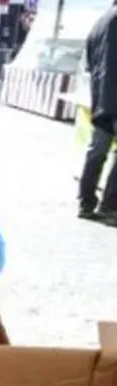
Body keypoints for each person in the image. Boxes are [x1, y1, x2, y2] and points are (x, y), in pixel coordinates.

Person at [79, 1, 117, 222]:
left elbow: (90, 62)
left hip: (101, 98)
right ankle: (110, 206)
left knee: (97, 152)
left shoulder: (100, 22)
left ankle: (85, 203)